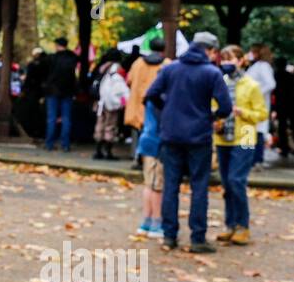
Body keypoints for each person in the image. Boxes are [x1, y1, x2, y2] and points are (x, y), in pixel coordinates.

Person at [144, 30, 232, 253]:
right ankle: (197, 238)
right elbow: (226, 107)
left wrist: (166, 111)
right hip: (199, 136)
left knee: (171, 186)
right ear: (210, 51)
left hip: (171, 135)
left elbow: (151, 94)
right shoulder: (212, 73)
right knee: (199, 186)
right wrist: (210, 116)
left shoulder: (170, 68)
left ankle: (169, 236)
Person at [213, 46, 267, 245]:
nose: (227, 63)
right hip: (222, 136)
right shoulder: (220, 82)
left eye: (231, 59)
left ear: (241, 60)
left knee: (237, 180)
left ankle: (243, 225)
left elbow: (261, 114)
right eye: (224, 59)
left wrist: (243, 113)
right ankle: (230, 225)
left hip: (244, 136)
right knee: (227, 183)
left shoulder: (252, 85)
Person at [135, 84, 164, 239]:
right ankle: (155, 221)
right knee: (156, 184)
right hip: (156, 143)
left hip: (148, 141)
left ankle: (147, 220)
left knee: (150, 183)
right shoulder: (161, 99)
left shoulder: (150, 97)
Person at [44, 37, 79, 152]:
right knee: (66, 118)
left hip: (53, 91)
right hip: (67, 91)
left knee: (51, 118)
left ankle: (49, 143)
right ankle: (65, 144)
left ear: (57, 45)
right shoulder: (72, 58)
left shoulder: (52, 58)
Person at [246, 43, 277, 167]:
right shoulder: (257, 66)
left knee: (258, 131)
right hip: (251, 105)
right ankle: (250, 158)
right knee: (250, 130)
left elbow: (270, 84)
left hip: (257, 105)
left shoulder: (263, 66)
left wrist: (255, 94)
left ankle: (256, 159)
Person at [92, 60, 129, 160]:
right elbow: (123, 94)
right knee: (110, 127)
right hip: (112, 107)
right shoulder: (118, 79)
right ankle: (108, 152)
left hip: (101, 105)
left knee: (100, 126)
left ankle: (98, 151)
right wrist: (122, 104)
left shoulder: (105, 77)